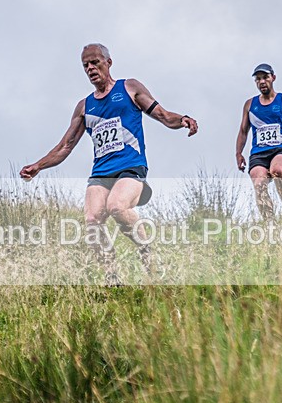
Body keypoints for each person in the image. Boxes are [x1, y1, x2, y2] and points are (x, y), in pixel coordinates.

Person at [20, 43, 198, 284]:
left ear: (108, 62)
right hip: (101, 172)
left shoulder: (129, 88)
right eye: (86, 65)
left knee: (116, 206)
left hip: (130, 166)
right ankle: (113, 279)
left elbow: (164, 116)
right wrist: (38, 166)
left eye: (95, 62)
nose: (91, 68)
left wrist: (183, 119)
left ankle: (147, 252)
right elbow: (65, 146)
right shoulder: (84, 106)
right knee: (92, 220)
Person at [235, 63, 282, 220]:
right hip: (258, 152)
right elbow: (243, 131)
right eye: (258, 79)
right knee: (258, 183)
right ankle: (269, 222)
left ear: (273, 78)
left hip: (281, 148)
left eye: (265, 77)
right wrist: (238, 153)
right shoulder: (250, 104)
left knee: (278, 171)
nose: (262, 82)